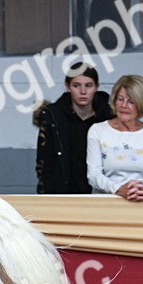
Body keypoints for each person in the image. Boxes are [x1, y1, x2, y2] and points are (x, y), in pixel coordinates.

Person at [86, 74, 143, 202]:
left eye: (131, 102)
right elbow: (94, 175)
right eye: (120, 99)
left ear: (141, 104)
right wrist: (118, 189)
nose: (124, 105)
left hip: (142, 203)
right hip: (103, 205)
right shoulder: (97, 131)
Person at [32, 65, 114, 193]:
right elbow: (44, 164)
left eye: (88, 85)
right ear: (68, 87)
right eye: (76, 85)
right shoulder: (53, 117)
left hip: (102, 192)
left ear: (97, 87)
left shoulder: (110, 117)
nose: (83, 91)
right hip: (62, 194)